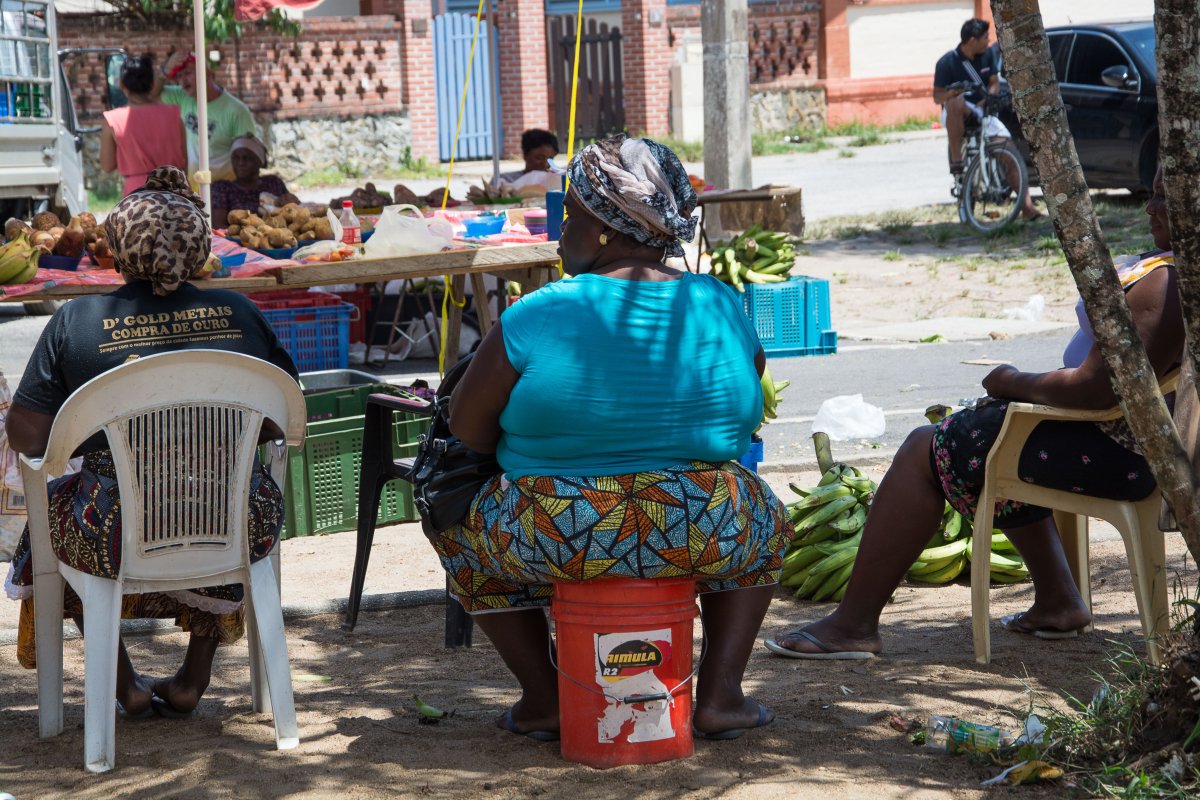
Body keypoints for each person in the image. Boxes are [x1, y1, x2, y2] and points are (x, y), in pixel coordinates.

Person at [431, 134, 790, 740]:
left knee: (448, 514)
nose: (562, 229)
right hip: (704, 527)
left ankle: (545, 698)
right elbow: (744, 417)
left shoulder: (536, 313)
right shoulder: (721, 304)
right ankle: (722, 694)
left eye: (569, 215)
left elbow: (467, 431)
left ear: (603, 227)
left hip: (554, 533)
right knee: (762, 516)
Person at [765, 165, 1182, 659]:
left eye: (1166, 198)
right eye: (1151, 194)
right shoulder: (1175, 268)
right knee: (990, 432)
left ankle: (854, 624)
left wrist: (1009, 381)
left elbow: (1094, 390)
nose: (1150, 207)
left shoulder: (1166, 282)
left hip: (1122, 455)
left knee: (932, 445)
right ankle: (1058, 600)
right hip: (1128, 441)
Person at [3, 166, 300, 718]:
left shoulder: (78, 320)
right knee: (226, 491)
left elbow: (26, 435)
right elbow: (282, 422)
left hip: (115, 528)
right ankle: (193, 675)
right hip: (239, 518)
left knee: (49, 527)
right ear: (200, 248)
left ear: (116, 248)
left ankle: (127, 687)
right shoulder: (242, 313)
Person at [933, 18, 1041, 220]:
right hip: (958, 111)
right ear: (972, 40)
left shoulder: (988, 55)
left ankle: (1027, 209)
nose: (988, 40)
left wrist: (987, 99)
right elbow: (936, 96)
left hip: (983, 109)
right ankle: (957, 159)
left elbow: (993, 83)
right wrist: (951, 94)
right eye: (985, 37)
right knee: (956, 101)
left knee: (1009, 152)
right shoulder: (947, 62)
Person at [155, 50, 258, 183]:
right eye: (179, 76)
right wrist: (164, 71)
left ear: (207, 73)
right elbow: (151, 93)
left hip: (225, 193)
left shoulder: (237, 111)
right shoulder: (183, 97)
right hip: (194, 191)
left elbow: (251, 157)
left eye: (188, 73)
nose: (183, 81)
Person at [99, 54, 187, 197]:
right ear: (152, 83)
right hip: (173, 192)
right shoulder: (174, 115)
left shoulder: (112, 120)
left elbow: (107, 166)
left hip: (137, 196)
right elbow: (184, 161)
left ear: (122, 85)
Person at [210, 134, 300, 228]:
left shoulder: (273, 183)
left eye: (247, 158)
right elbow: (218, 226)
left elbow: (294, 213)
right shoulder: (222, 188)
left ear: (259, 161)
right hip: (238, 241)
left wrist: (291, 202)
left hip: (277, 237)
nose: (241, 163)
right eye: (236, 158)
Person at [497, 128, 563, 185]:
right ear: (525, 155)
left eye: (550, 159)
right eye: (539, 158)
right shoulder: (505, 181)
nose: (545, 164)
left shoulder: (557, 181)